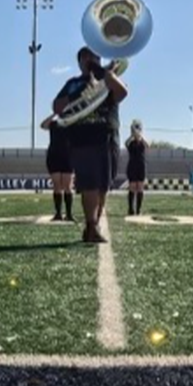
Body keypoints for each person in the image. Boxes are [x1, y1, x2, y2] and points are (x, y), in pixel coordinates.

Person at [52, 47, 127, 244]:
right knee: (89, 185)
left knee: (103, 186)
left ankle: (92, 226)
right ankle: (91, 226)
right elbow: (57, 107)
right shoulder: (73, 83)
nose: (91, 59)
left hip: (108, 137)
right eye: (86, 57)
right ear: (79, 62)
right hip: (83, 137)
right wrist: (78, 93)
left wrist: (104, 73)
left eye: (94, 56)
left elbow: (122, 93)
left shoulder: (107, 79)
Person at [40, 114, 74, 222]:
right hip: (54, 156)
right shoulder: (54, 124)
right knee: (57, 185)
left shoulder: (72, 124)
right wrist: (54, 114)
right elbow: (43, 125)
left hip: (68, 156)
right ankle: (58, 213)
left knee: (68, 185)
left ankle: (69, 214)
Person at [125, 120, 148, 216]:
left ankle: (138, 209)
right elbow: (126, 143)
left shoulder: (142, 143)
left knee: (140, 187)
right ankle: (131, 209)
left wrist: (140, 135)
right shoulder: (131, 143)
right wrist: (132, 135)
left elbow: (147, 145)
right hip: (132, 166)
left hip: (141, 166)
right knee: (132, 187)